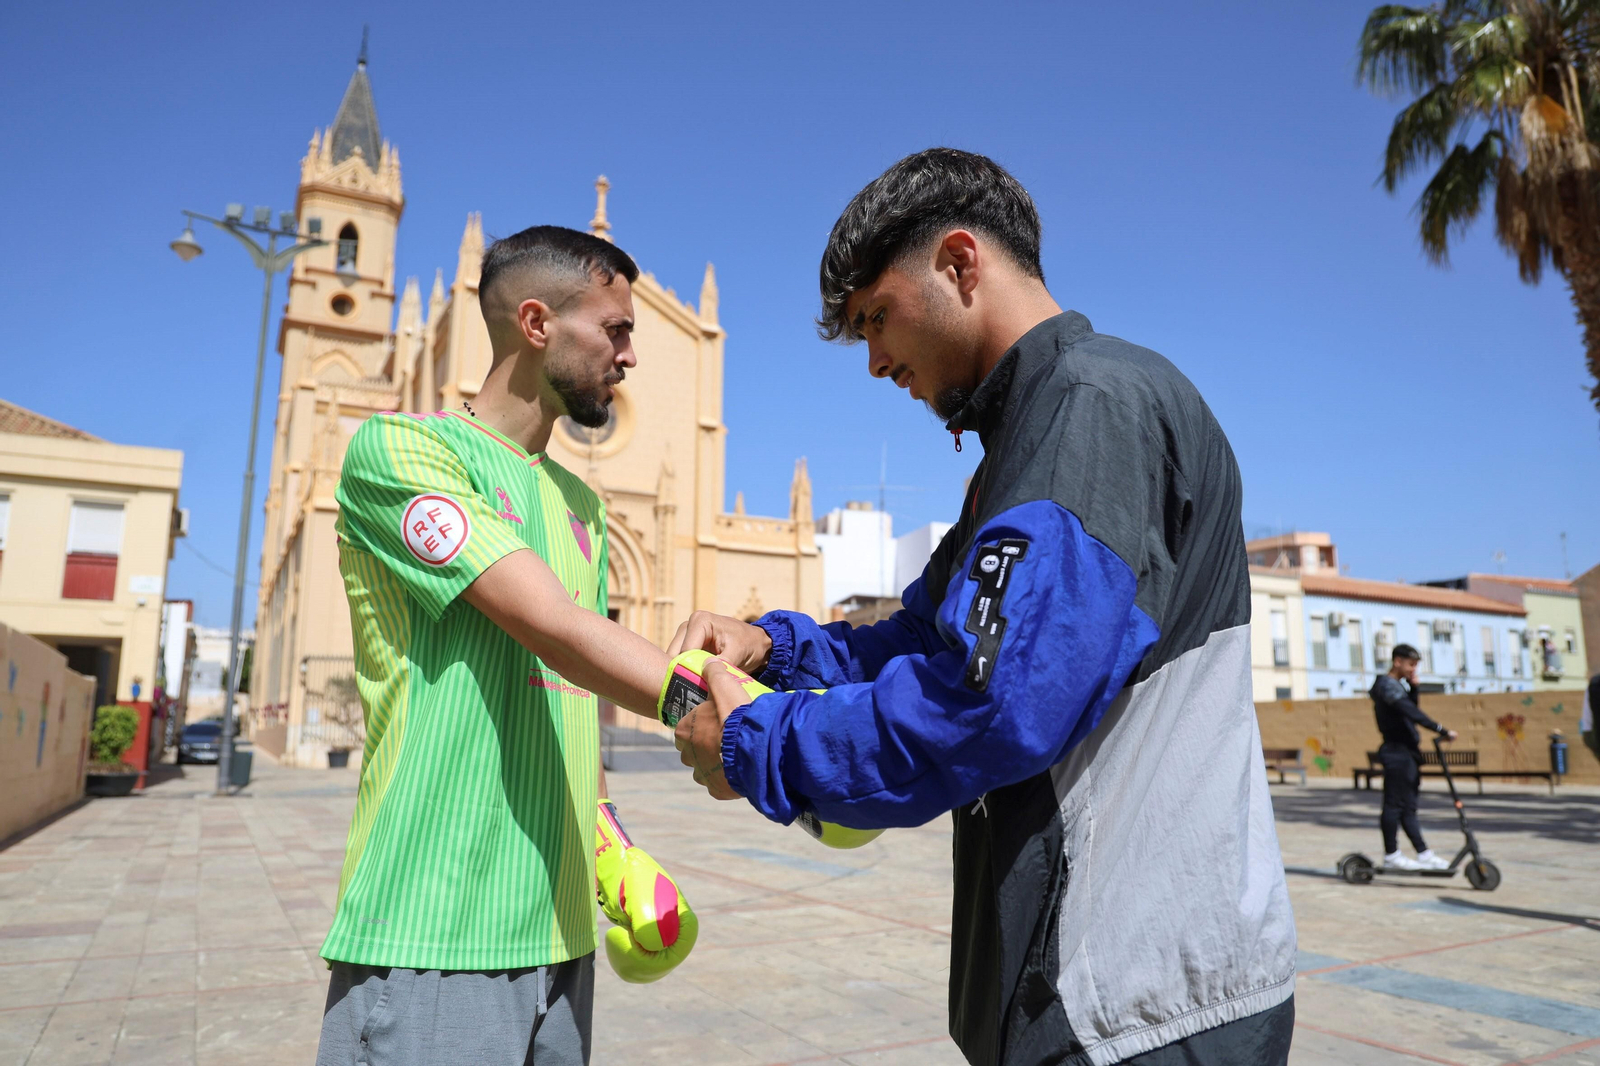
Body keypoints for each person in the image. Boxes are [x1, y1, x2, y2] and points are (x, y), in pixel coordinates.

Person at [670, 149, 1297, 1066]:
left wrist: (758, 745)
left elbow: (994, 699)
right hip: (1084, 995)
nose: (877, 361)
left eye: (876, 319)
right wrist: (777, 647)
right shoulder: (1024, 446)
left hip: (1146, 1001)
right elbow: (926, 637)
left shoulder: (1094, 409)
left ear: (962, 265)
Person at [315, 226, 696, 1066]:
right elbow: (550, 626)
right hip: (431, 934)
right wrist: (721, 711)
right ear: (535, 324)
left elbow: (575, 687)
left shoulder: (581, 505)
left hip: (561, 943)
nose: (630, 356)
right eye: (615, 331)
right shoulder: (404, 453)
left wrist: (614, 855)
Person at [1369, 644, 1457, 871]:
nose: (1413, 670)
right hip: (1396, 752)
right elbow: (1411, 712)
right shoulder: (1386, 686)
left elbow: (1408, 710)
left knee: (1408, 807)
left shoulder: (1397, 687)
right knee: (1393, 805)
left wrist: (1414, 689)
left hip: (1407, 753)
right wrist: (1441, 729)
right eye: (1411, 664)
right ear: (1397, 661)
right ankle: (1391, 855)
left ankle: (1424, 854)